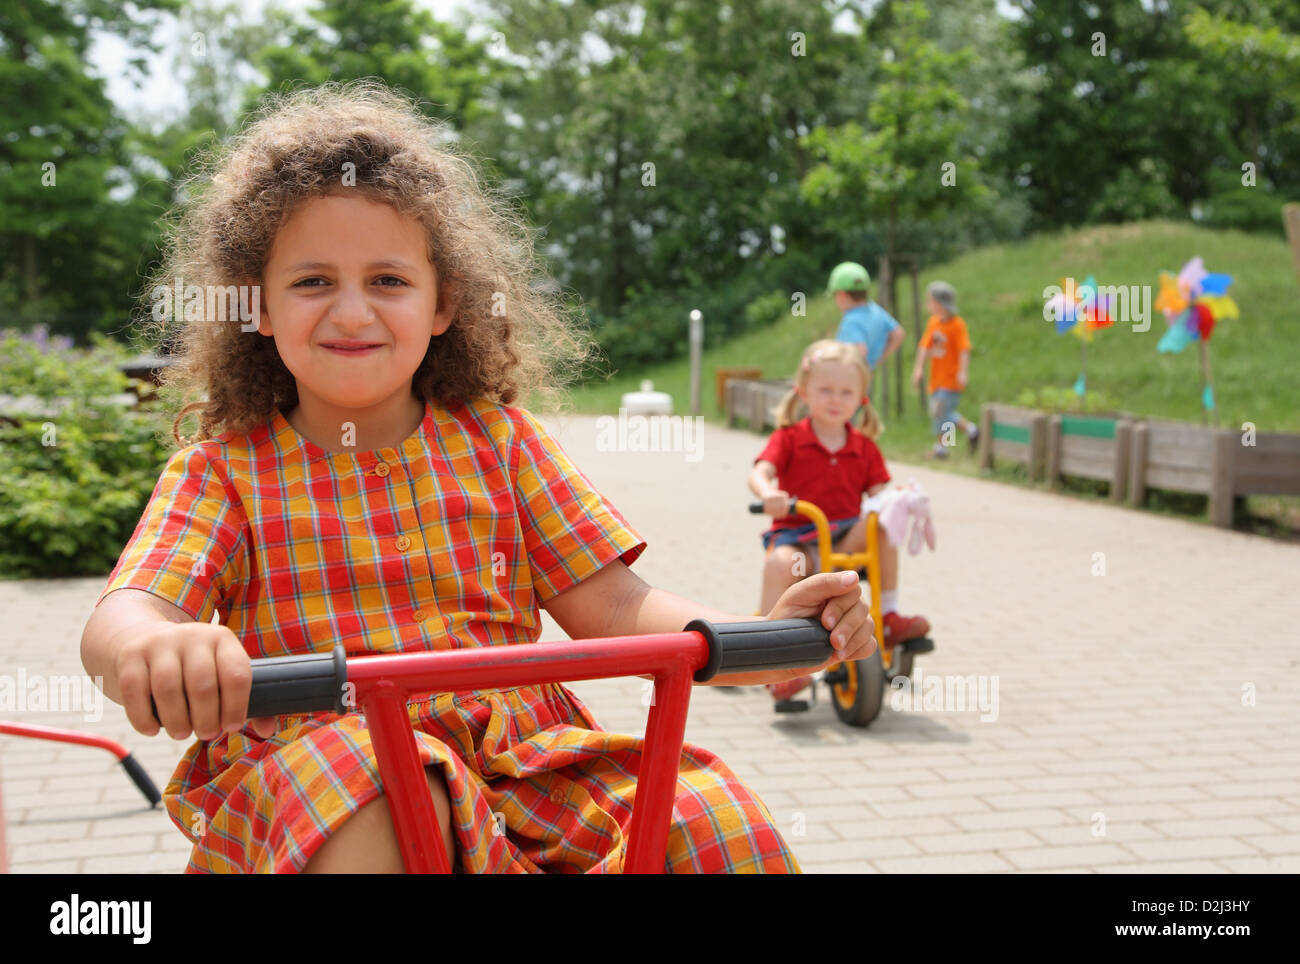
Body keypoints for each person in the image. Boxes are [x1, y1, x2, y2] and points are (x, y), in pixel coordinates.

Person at [79, 81, 877, 874]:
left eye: (388, 281)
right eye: (313, 281)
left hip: (523, 771)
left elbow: (618, 605)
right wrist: (156, 644)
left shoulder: (499, 442)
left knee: (707, 815)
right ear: (256, 305)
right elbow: (127, 612)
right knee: (379, 784)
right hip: (321, 771)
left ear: (442, 303)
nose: (353, 313)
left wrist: (758, 636)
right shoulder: (224, 472)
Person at [748, 340, 931, 707]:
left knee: (880, 522)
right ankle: (771, 649)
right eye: (825, 390)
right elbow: (760, 471)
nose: (835, 399)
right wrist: (768, 491)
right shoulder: (790, 438)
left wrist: (898, 497)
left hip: (844, 539)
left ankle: (889, 616)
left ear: (861, 398)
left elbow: (879, 491)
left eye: (846, 392)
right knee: (781, 563)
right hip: (800, 540)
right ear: (803, 391)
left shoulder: (864, 447)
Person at [911, 281, 978, 459]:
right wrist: (919, 368)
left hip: (951, 378)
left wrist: (963, 371)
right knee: (941, 412)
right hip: (936, 378)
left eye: (930, 301)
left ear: (939, 303)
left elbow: (964, 349)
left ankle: (944, 448)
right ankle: (971, 430)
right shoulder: (933, 323)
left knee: (941, 411)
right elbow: (924, 347)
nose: (928, 305)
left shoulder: (957, 325)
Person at [828, 261, 904, 374]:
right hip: (863, 379)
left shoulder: (851, 322)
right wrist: (875, 361)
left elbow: (859, 350)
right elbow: (898, 333)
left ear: (842, 295)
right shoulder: (876, 310)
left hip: (847, 381)